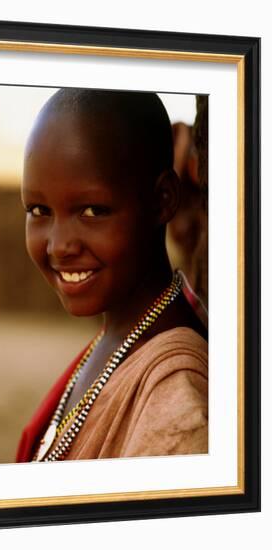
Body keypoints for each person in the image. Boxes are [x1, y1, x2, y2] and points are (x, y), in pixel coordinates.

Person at [16, 88, 208, 463]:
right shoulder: (118, 336)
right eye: (39, 209)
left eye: (92, 211)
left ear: (163, 199)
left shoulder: (176, 403)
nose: (58, 246)